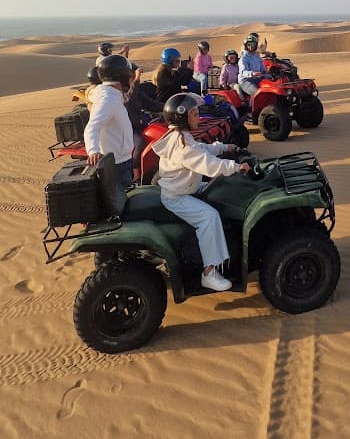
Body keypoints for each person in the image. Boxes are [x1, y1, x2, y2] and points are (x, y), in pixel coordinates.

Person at [152, 93, 249, 292]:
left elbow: (201, 149)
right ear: (182, 118)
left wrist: (223, 147)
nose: (198, 118)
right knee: (209, 217)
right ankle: (209, 273)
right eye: (194, 114)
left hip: (187, 188)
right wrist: (235, 167)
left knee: (221, 190)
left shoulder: (181, 136)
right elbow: (206, 163)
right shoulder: (183, 146)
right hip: (178, 197)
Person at [83, 54, 135, 188]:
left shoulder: (113, 95)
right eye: (130, 76)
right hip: (117, 165)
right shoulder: (107, 99)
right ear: (121, 78)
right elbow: (92, 127)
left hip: (121, 160)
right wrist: (93, 150)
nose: (131, 80)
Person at [125, 62, 164, 181]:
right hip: (128, 129)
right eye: (132, 75)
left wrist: (168, 107)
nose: (134, 78)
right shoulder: (121, 93)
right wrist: (137, 79)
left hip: (139, 124)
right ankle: (136, 175)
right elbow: (129, 98)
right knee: (140, 143)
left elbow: (151, 104)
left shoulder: (136, 91)